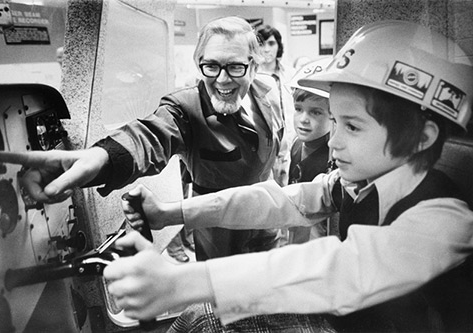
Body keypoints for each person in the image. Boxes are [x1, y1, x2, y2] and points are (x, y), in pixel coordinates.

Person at [104, 20, 473, 332]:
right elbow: (283, 200)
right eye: (337, 123)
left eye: (354, 127)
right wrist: (173, 212)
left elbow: (342, 269)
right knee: (200, 318)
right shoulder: (355, 185)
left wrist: (184, 282)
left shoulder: (444, 220)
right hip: (344, 322)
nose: (334, 143)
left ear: (423, 138)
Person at [0, 16, 285, 262]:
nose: (222, 80)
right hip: (220, 233)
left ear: (254, 65)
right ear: (200, 64)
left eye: (235, 67)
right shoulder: (186, 107)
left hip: (269, 220)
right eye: (211, 66)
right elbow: (149, 136)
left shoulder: (270, 92)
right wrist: (102, 158)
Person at [286, 58, 333, 244]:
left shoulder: (332, 157)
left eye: (315, 112)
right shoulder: (297, 144)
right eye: (299, 109)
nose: (303, 119)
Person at [257, 24, 296, 187]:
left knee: (289, 190)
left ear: (279, 46)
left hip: (290, 140)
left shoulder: (290, 73)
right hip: (264, 143)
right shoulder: (252, 75)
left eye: (271, 44)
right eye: (262, 44)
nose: (266, 49)